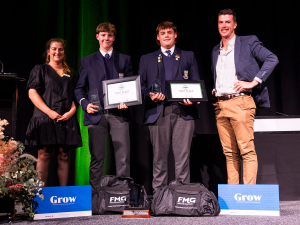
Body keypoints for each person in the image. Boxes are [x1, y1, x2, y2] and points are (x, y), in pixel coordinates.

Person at [211, 9, 279, 184]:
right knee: (229, 153)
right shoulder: (215, 50)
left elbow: (272, 58)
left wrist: (254, 81)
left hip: (240, 102)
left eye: (227, 22)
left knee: (246, 151)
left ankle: (248, 196)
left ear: (234, 25)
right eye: (221, 22)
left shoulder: (248, 42)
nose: (224, 25)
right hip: (221, 105)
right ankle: (234, 197)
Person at [139, 21, 200, 190]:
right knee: (159, 157)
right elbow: (141, 87)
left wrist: (192, 98)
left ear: (175, 35)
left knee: (182, 157)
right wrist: (150, 95)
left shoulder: (188, 56)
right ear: (158, 37)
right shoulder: (147, 59)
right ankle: (159, 195)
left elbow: (195, 83)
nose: (166, 35)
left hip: (183, 112)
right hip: (158, 112)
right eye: (163, 33)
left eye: (169, 32)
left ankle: (182, 193)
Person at [74, 22, 133, 193]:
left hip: (119, 115)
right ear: (97, 37)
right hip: (96, 114)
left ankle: (123, 193)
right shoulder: (87, 61)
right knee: (97, 158)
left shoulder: (124, 59)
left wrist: (127, 100)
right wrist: (85, 105)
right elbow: (79, 88)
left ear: (113, 38)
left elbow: (130, 86)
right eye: (103, 35)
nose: (106, 38)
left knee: (123, 157)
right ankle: (96, 195)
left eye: (109, 35)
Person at [25, 38, 82, 186]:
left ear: (64, 52)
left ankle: (63, 196)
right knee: (44, 155)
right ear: (48, 51)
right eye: (54, 49)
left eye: (61, 49)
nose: (57, 52)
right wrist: (49, 112)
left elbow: (78, 97)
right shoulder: (40, 70)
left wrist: (70, 113)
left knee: (63, 156)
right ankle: (39, 195)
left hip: (66, 119)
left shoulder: (72, 74)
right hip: (45, 118)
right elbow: (32, 93)